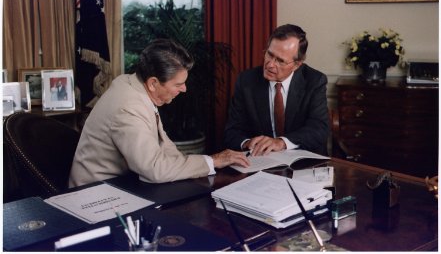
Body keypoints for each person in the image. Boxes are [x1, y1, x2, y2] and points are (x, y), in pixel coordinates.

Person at [69, 39, 249, 187]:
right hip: (96, 194)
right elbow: (154, 169)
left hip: (123, 184)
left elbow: (164, 145)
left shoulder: (133, 83)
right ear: (153, 83)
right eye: (178, 85)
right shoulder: (128, 107)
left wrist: (198, 166)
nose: (184, 89)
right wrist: (213, 161)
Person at [224, 24, 329, 156]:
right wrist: (248, 143)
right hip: (262, 161)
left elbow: (319, 129)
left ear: (297, 64)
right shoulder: (246, 81)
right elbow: (232, 130)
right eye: (269, 54)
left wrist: (281, 142)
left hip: (303, 161)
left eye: (280, 61)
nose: (270, 64)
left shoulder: (314, 81)